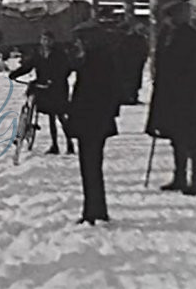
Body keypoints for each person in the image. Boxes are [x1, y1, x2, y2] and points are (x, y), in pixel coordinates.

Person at [146, 0, 196, 195]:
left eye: (170, 18)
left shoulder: (193, 38)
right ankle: (179, 176)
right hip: (170, 95)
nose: (167, 21)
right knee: (177, 138)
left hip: (188, 96)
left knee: (192, 139)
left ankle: (195, 180)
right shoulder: (165, 36)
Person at [64, 23, 122, 225]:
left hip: (90, 120)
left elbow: (95, 91)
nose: (78, 43)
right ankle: (96, 208)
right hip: (96, 120)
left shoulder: (95, 60)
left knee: (90, 166)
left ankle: (92, 211)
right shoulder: (100, 57)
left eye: (80, 39)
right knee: (92, 166)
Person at [9, 30, 75, 155]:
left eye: (48, 40)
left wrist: (56, 79)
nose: (46, 42)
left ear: (53, 41)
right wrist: (14, 74)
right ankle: (54, 145)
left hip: (58, 88)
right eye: (44, 39)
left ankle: (69, 143)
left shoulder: (60, 54)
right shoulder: (38, 54)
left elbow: (66, 69)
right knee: (50, 117)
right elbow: (28, 66)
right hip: (43, 87)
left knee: (61, 116)